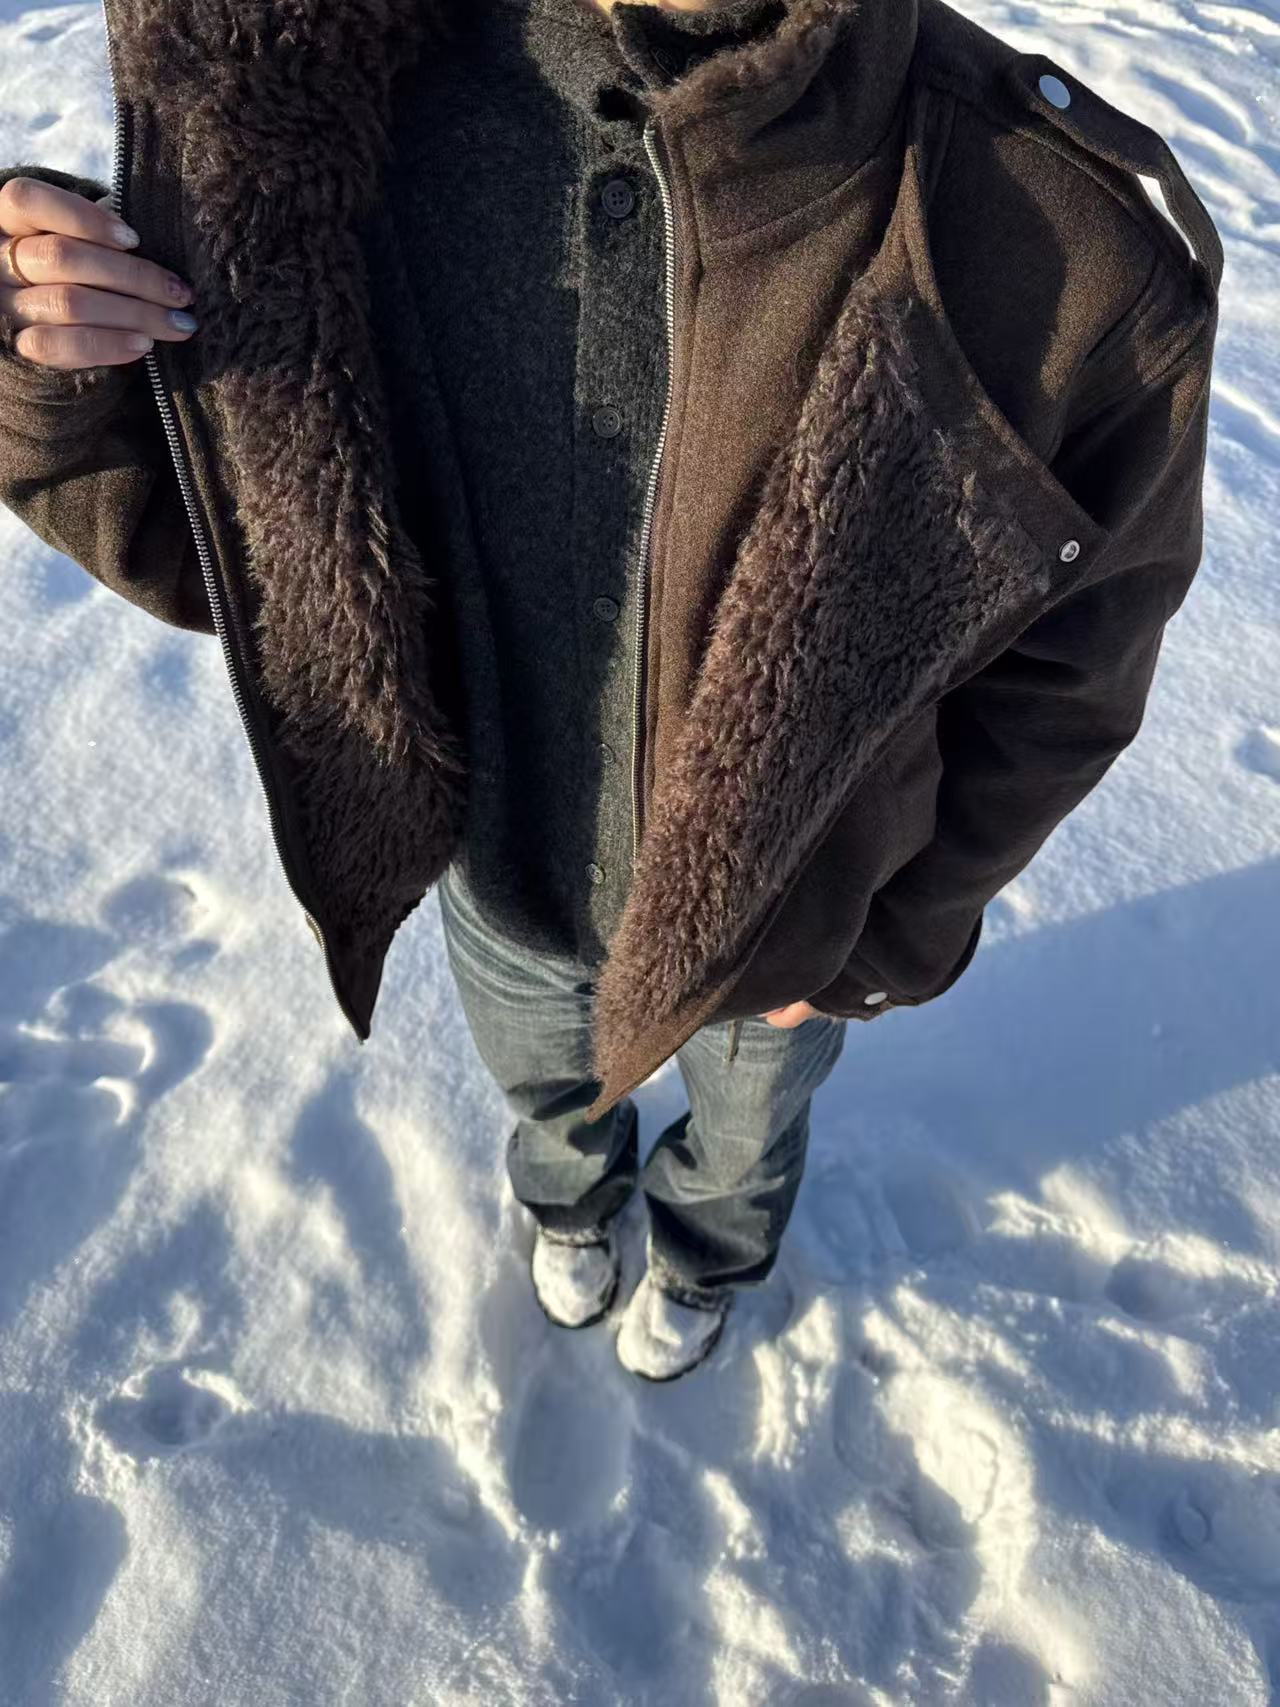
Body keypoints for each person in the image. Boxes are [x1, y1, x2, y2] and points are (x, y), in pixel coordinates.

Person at [0, 0, 1221, 1380]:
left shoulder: (1050, 237)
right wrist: (57, 369)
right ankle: (569, 1205)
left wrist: (884, 938)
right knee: (546, 1095)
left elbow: (1068, 680)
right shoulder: (310, 120)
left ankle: (708, 1253)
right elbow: (243, 552)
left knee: (747, 1134)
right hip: (501, 881)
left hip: (785, 931)